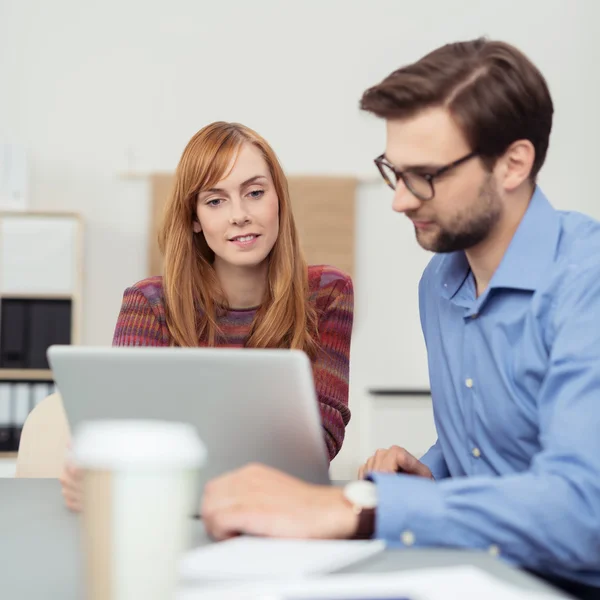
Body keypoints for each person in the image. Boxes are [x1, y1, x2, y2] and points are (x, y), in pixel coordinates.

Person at [200, 40, 600, 599]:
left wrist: (362, 506)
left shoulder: (587, 284)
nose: (400, 201)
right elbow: (496, 448)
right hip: (477, 572)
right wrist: (432, 471)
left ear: (513, 164)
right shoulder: (440, 283)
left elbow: (583, 510)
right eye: (395, 172)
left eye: (426, 175)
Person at [60, 121, 354, 510]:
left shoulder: (328, 293)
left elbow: (319, 443)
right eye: (215, 200)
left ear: (278, 199)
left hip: (276, 512)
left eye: (254, 193)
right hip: (164, 512)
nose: (239, 215)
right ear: (195, 218)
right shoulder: (148, 302)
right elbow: (125, 433)